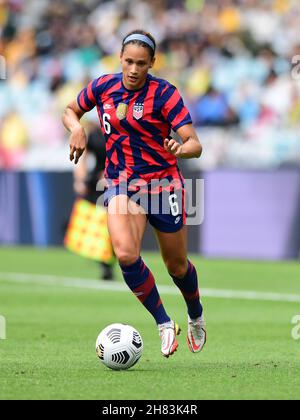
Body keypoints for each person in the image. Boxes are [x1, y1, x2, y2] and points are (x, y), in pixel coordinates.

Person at [62, 30, 206, 357]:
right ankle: (163, 322)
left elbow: (195, 144)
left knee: (177, 266)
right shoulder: (102, 86)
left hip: (162, 184)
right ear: (120, 58)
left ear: (152, 63)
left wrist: (180, 149)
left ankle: (195, 312)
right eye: (128, 61)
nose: (134, 69)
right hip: (121, 183)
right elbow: (70, 109)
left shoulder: (165, 94)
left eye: (141, 63)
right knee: (125, 254)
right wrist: (77, 127)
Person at [71, 120, 115, 280]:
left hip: (117, 180)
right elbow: (82, 157)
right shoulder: (94, 135)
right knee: (99, 224)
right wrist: (80, 179)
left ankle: (110, 261)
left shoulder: (118, 130)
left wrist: (111, 174)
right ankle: (105, 263)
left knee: (112, 225)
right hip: (97, 183)